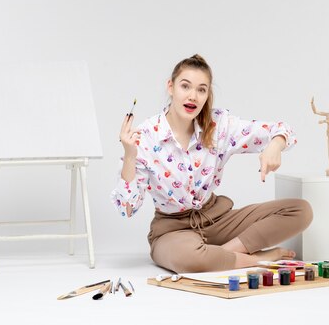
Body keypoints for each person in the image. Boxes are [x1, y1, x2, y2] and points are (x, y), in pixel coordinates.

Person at [112, 54, 313, 273]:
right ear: (171, 87)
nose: (193, 96)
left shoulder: (218, 126)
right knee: (189, 259)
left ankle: (221, 255)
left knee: (300, 210)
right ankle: (256, 259)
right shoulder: (146, 136)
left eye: (201, 89)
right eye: (185, 86)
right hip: (172, 231)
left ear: (207, 94)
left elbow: (283, 129)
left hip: (217, 220)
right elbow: (127, 208)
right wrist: (130, 156)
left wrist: (275, 146)